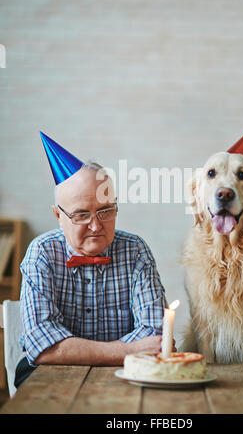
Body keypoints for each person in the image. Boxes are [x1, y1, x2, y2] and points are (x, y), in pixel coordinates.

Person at [15, 134, 171, 388]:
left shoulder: (136, 251)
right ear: (58, 216)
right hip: (50, 376)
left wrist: (82, 351)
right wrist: (126, 350)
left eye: (105, 210)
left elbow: (155, 336)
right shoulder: (41, 253)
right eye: (81, 214)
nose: (96, 225)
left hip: (125, 375)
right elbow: (42, 347)